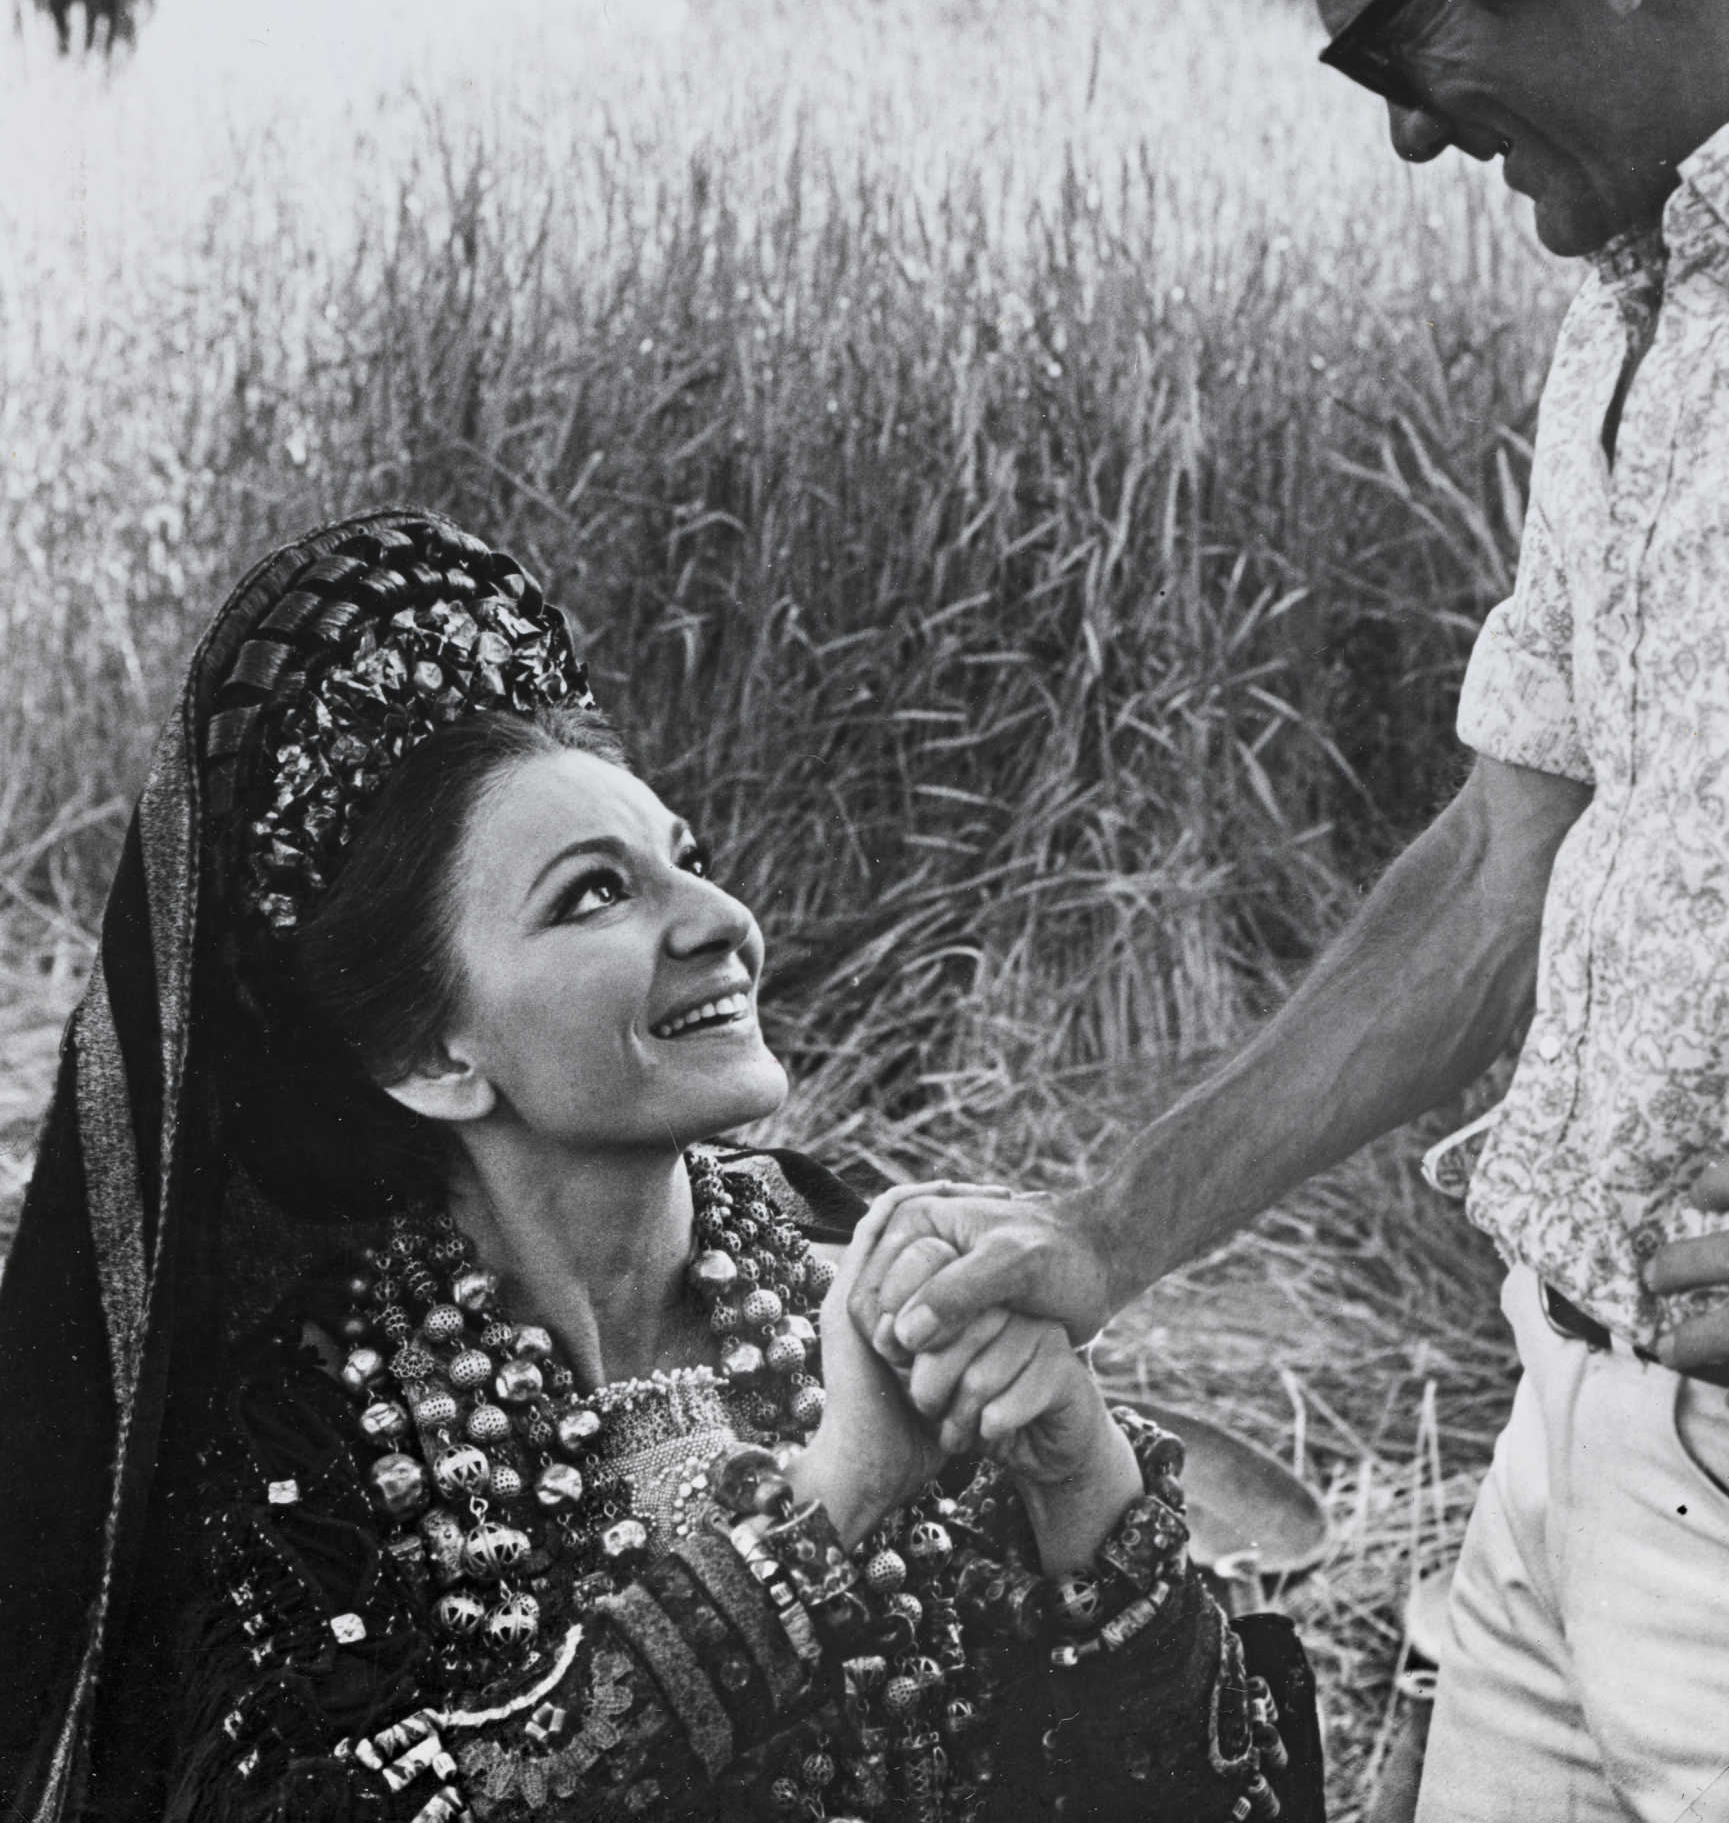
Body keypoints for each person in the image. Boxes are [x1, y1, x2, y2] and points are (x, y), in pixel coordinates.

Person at [849, 0, 1729, 1823]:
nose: (1406, 128)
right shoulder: (1632, 308)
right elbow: (1509, 854)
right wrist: (1109, 1233)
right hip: (1566, 1456)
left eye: (1391, 45)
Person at [0, 508, 1321, 1823]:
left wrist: (1079, 1480)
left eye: (687, 861)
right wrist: (827, 1509)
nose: (724, 921)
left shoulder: (875, 1297)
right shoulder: (311, 1446)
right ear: (431, 1055)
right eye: (595, 892)